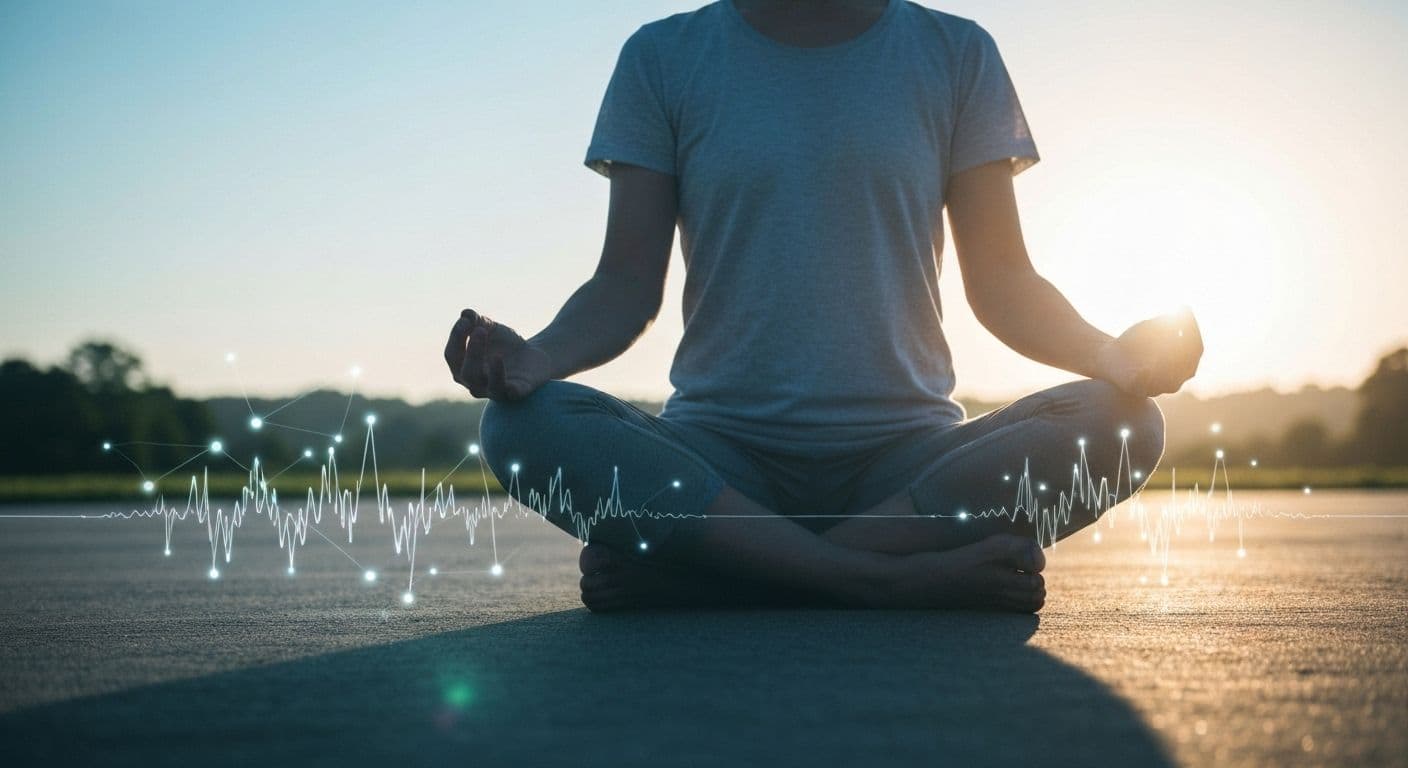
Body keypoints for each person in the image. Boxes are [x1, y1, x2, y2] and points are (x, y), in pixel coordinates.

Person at [444, 0, 1201, 613]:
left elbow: (1002, 283)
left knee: (1126, 422)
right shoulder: (663, 57)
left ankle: (723, 572)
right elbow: (625, 288)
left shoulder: (956, 52)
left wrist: (1112, 356)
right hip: (720, 461)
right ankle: (888, 577)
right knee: (523, 427)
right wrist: (533, 360)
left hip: (908, 467)